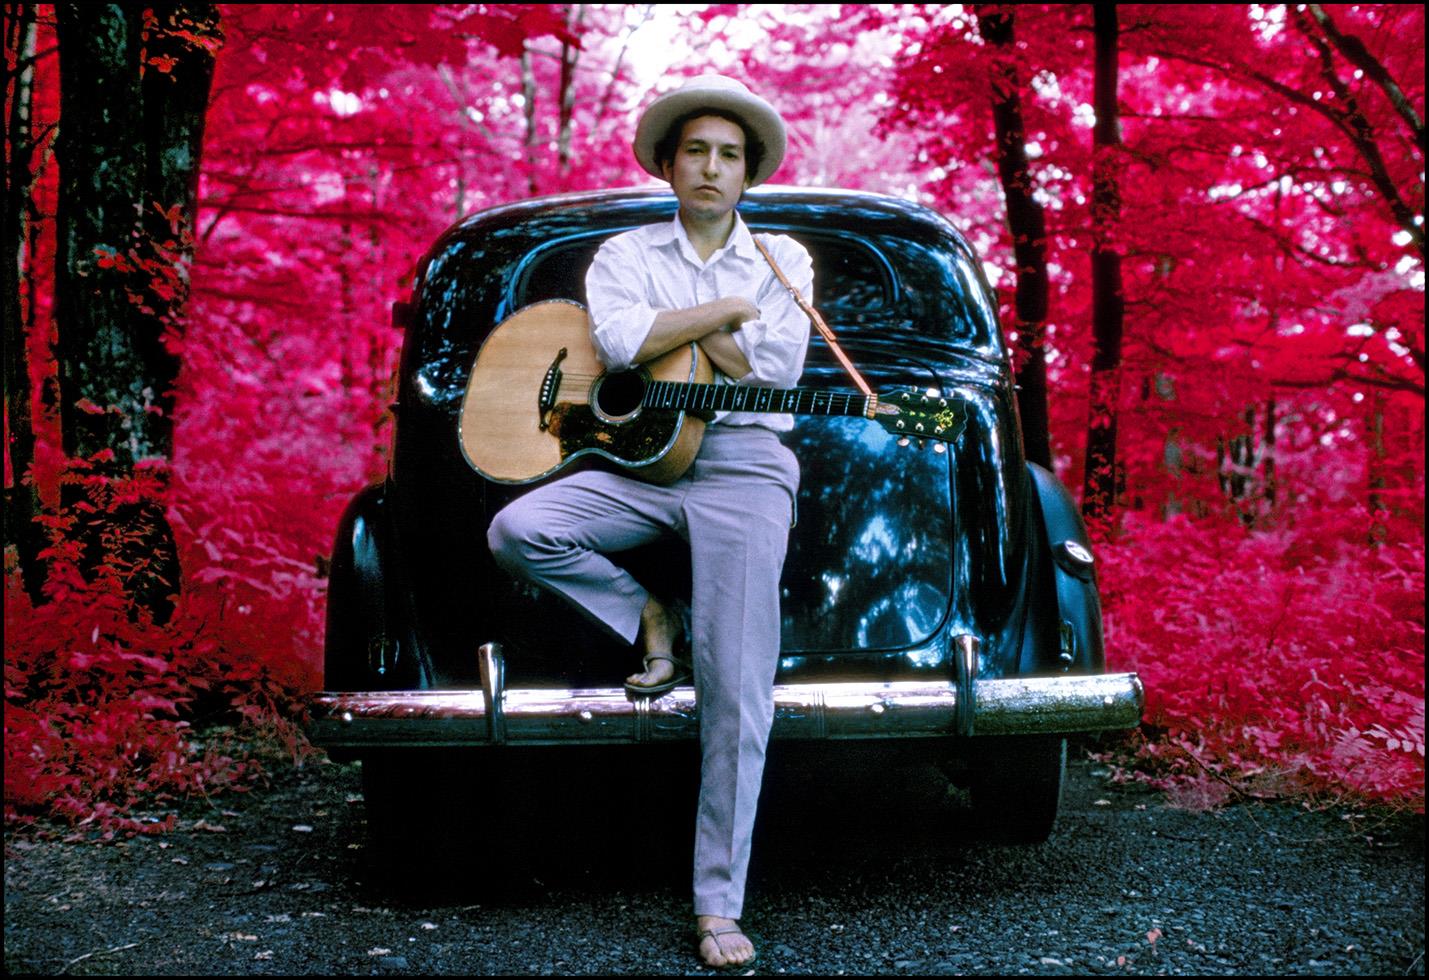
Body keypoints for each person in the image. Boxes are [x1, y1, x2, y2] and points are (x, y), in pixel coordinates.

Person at [485, 74, 812, 969]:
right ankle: (647, 616)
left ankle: (717, 906)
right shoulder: (624, 254)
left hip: (744, 465)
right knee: (518, 531)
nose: (711, 168)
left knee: (736, 691)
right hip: (638, 461)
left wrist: (702, 329)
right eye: (695, 151)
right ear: (668, 165)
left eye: (729, 155)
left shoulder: (784, 258)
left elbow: (775, 375)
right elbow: (625, 346)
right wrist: (726, 314)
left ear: (747, 175)